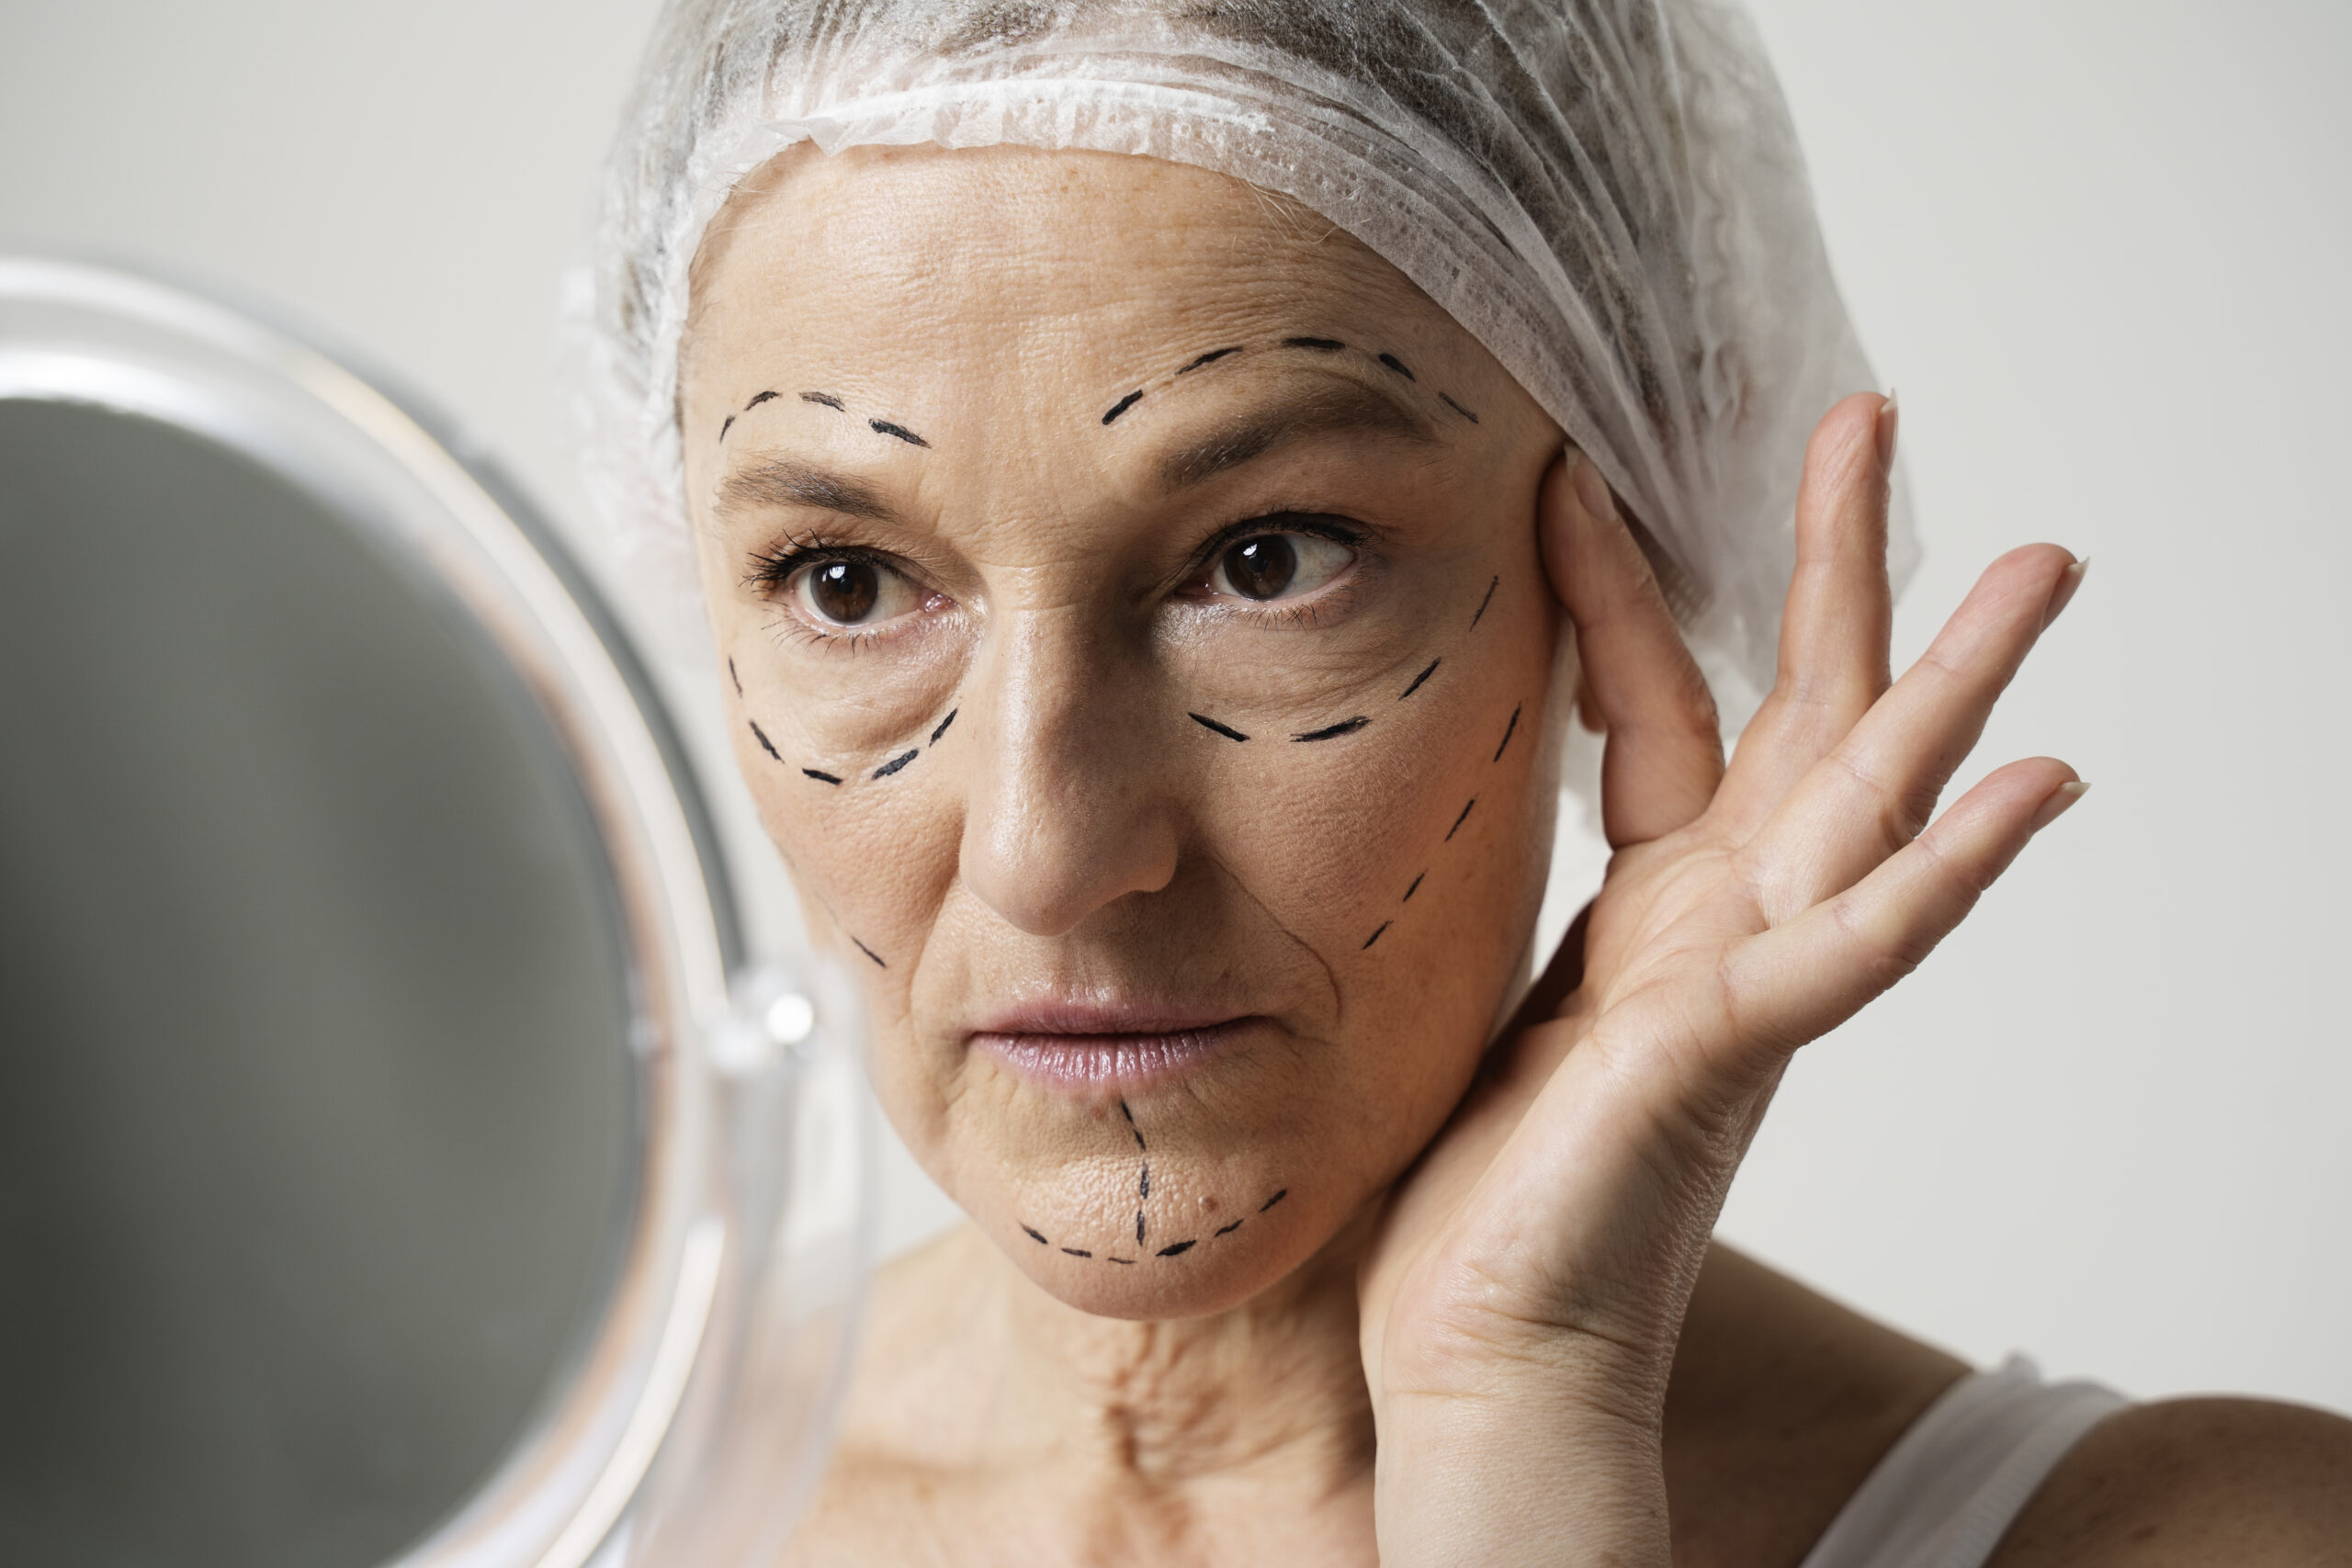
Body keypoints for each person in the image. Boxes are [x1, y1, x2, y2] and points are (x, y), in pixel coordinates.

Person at [583, 5, 2352, 1562]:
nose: (1047, 854)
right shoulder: (546, 1517)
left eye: (1269, 560)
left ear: (1630, 542)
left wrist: (1522, 1416)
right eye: (845, 583)